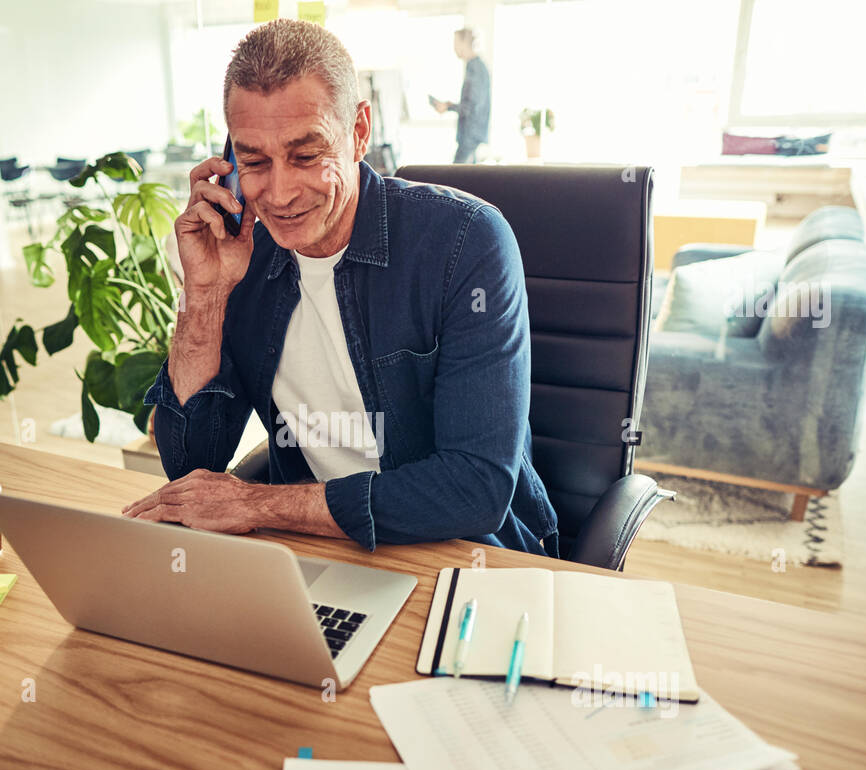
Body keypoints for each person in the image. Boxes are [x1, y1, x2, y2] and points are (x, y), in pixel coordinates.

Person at [124, 18, 557, 559]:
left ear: (358, 131)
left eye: (306, 155)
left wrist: (259, 505)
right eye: (254, 160)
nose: (279, 193)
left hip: (464, 555)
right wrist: (207, 295)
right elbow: (191, 461)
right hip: (312, 553)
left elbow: (475, 490)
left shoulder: (464, 242)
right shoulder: (243, 255)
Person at [431, 27, 490, 164]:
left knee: (455, 176)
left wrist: (447, 107)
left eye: (456, 43)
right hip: (471, 134)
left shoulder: (475, 68)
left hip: (470, 135)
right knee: (468, 178)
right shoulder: (475, 66)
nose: (454, 48)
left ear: (464, 44)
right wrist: (448, 105)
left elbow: (471, 106)